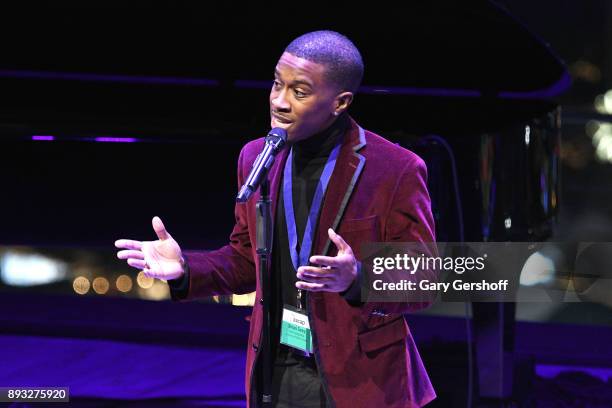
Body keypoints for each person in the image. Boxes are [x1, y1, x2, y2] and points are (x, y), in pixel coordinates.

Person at [115, 30, 437, 408]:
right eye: (276, 84)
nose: (280, 102)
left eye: (299, 92)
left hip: (361, 380)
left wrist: (357, 278)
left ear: (340, 102)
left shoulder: (395, 168)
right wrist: (186, 268)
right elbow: (244, 260)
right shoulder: (256, 158)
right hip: (276, 369)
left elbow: (423, 277)